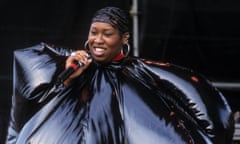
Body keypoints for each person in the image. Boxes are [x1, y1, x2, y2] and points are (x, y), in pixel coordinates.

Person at [6, 6, 234, 144]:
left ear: (124, 38)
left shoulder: (140, 73)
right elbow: (31, 78)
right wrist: (64, 69)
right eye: (94, 32)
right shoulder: (76, 66)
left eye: (107, 34)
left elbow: (202, 104)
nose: (98, 40)